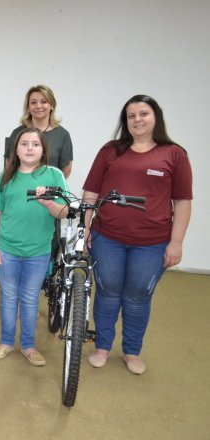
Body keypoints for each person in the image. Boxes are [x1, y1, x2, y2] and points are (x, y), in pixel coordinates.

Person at [83, 95, 192, 375]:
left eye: (143, 114)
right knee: (107, 292)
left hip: (153, 244)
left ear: (156, 117)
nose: (137, 120)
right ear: (125, 121)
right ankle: (102, 347)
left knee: (138, 296)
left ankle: (132, 351)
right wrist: (86, 228)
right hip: (108, 237)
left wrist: (176, 242)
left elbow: (182, 201)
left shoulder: (174, 154)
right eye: (131, 116)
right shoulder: (111, 151)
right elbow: (91, 192)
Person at [0, 128, 68, 366]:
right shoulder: (6, 178)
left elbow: (64, 212)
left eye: (35, 144)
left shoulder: (53, 175)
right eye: (24, 144)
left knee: (31, 298)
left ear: (43, 149)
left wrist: (48, 203)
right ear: (16, 150)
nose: (30, 148)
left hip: (38, 251)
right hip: (7, 249)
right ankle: (6, 342)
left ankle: (29, 346)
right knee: (9, 296)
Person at [4, 85, 73, 177]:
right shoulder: (17, 133)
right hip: (22, 188)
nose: (38, 106)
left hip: (49, 188)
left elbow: (66, 169)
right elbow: (9, 165)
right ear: (28, 107)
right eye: (33, 102)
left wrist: (52, 187)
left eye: (44, 102)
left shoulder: (62, 135)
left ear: (52, 105)